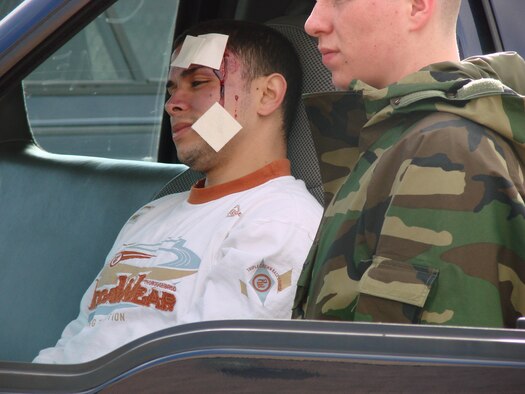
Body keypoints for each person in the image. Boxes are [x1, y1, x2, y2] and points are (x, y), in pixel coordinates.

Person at [34, 19, 322, 364]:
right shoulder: (152, 213)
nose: (173, 104)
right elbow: (79, 335)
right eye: (172, 89)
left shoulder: (279, 219)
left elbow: (206, 372)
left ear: (267, 94)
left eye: (199, 83)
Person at [293, 0, 525, 328]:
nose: (313, 22)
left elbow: (438, 373)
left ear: (416, 6)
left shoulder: (447, 153)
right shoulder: (396, 142)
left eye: (338, 1)